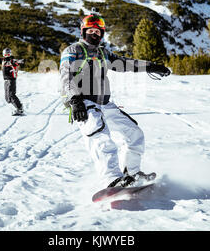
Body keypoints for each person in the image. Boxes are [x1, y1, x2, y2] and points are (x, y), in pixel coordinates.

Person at [59, 13, 171, 189]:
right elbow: (66, 76)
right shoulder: (74, 51)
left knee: (134, 133)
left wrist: (150, 65)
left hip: (105, 103)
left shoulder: (104, 53)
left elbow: (126, 63)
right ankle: (111, 179)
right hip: (84, 103)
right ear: (83, 31)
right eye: (91, 30)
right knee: (101, 136)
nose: (94, 34)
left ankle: (132, 174)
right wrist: (74, 100)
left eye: (98, 31)